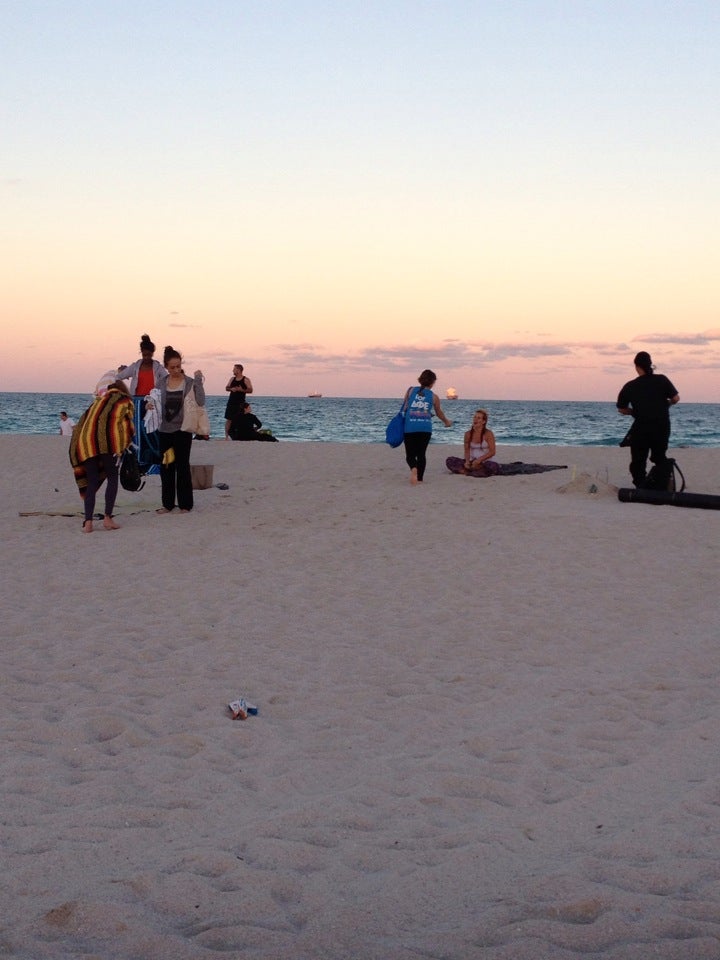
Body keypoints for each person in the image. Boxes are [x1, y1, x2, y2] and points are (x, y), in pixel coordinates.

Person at [69, 381, 135, 533]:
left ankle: (88, 523)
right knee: (112, 476)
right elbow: (127, 424)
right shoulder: (125, 400)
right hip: (109, 444)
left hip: (87, 444)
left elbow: (82, 423)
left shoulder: (96, 402)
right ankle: (107, 518)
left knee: (91, 481)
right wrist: (126, 442)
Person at [153, 345, 206, 513]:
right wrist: (149, 405)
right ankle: (167, 504)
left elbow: (201, 401)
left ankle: (185, 505)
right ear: (166, 367)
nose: (176, 370)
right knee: (167, 467)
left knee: (182, 467)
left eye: (178, 366)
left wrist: (198, 381)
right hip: (164, 431)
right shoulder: (161, 382)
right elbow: (155, 401)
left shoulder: (189, 382)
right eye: (172, 367)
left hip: (183, 430)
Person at [617, 351, 680, 487]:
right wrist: (666, 404)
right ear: (650, 364)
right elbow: (675, 398)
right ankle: (664, 484)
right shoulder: (662, 379)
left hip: (641, 426)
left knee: (638, 460)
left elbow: (621, 409)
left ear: (636, 366)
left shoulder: (630, 386)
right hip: (661, 425)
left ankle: (641, 486)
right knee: (659, 457)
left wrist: (635, 412)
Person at [116, 334, 168, 469]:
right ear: (141, 353)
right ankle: (137, 457)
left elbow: (167, 379)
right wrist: (120, 371)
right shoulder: (135, 366)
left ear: (152, 354)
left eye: (149, 355)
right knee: (137, 428)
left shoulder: (157, 367)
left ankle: (151, 457)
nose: (146, 358)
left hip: (152, 400)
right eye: (144, 355)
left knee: (150, 428)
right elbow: (120, 376)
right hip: (137, 400)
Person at [401, 369, 452, 484]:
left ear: (420, 379)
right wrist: (446, 421)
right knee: (421, 454)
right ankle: (420, 479)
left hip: (410, 427)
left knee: (410, 455)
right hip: (425, 429)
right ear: (433, 382)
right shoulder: (434, 397)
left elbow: (405, 407)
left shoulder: (410, 390)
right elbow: (439, 412)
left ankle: (413, 469)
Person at [445, 409, 499, 476]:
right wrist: (467, 462)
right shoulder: (467, 434)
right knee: (450, 460)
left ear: (483, 421)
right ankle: (471, 471)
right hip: (472, 461)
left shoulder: (488, 434)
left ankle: (471, 471)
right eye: (474, 417)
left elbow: (492, 452)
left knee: (492, 466)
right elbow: (467, 450)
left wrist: (479, 460)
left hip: (485, 462)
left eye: (479, 418)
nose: (475, 419)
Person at [224, 364, 253, 439]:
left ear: (239, 370)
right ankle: (226, 437)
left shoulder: (246, 379)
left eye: (234, 369)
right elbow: (226, 387)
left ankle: (239, 436)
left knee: (239, 419)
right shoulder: (232, 379)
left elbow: (250, 390)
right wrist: (231, 389)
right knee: (228, 419)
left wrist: (241, 390)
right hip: (231, 402)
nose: (233, 371)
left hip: (240, 403)